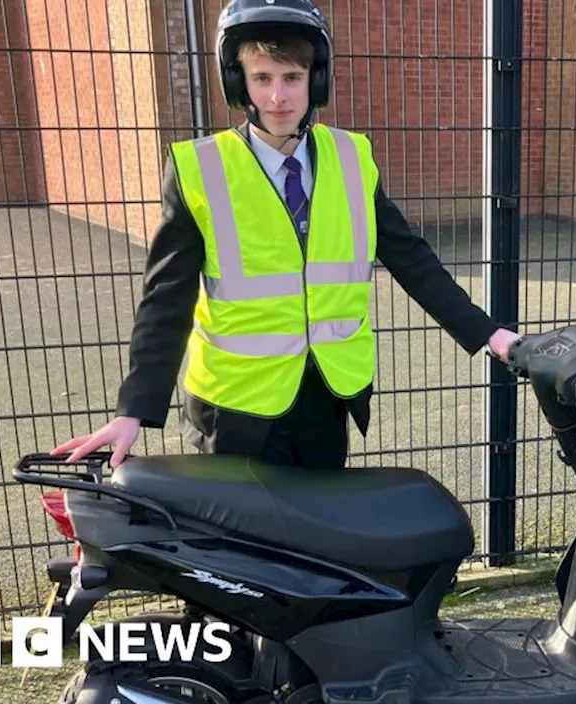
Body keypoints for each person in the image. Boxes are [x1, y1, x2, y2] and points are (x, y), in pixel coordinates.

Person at [53, 0, 519, 470]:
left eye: (292, 78)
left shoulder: (352, 158)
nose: (278, 97)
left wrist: (488, 333)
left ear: (315, 80)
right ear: (238, 83)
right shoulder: (200, 169)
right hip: (237, 406)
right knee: (244, 543)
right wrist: (134, 410)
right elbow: (165, 297)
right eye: (262, 78)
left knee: (318, 535)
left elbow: (411, 259)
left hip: (326, 395)